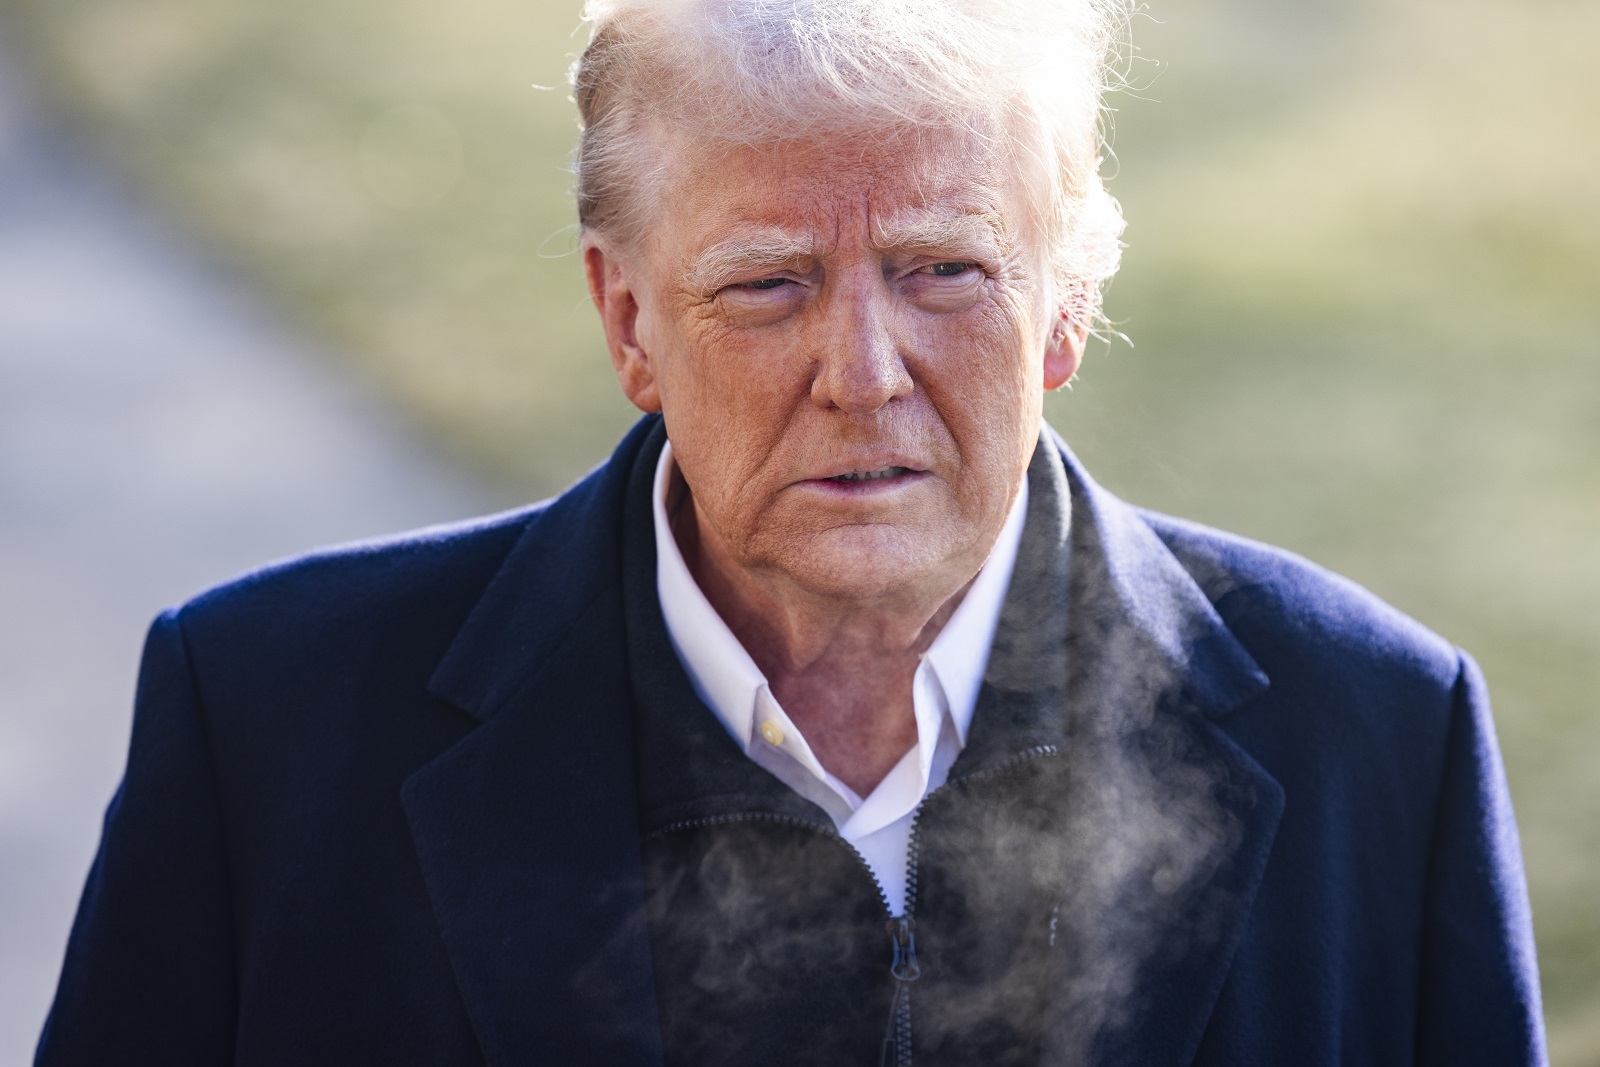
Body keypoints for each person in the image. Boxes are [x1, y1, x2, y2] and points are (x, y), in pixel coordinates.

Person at [37, 0, 1547, 1063]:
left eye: (946, 269)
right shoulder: (270, 726)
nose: (865, 371)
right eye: (767, 284)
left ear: (1067, 310)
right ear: (629, 320)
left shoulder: (1378, 736)